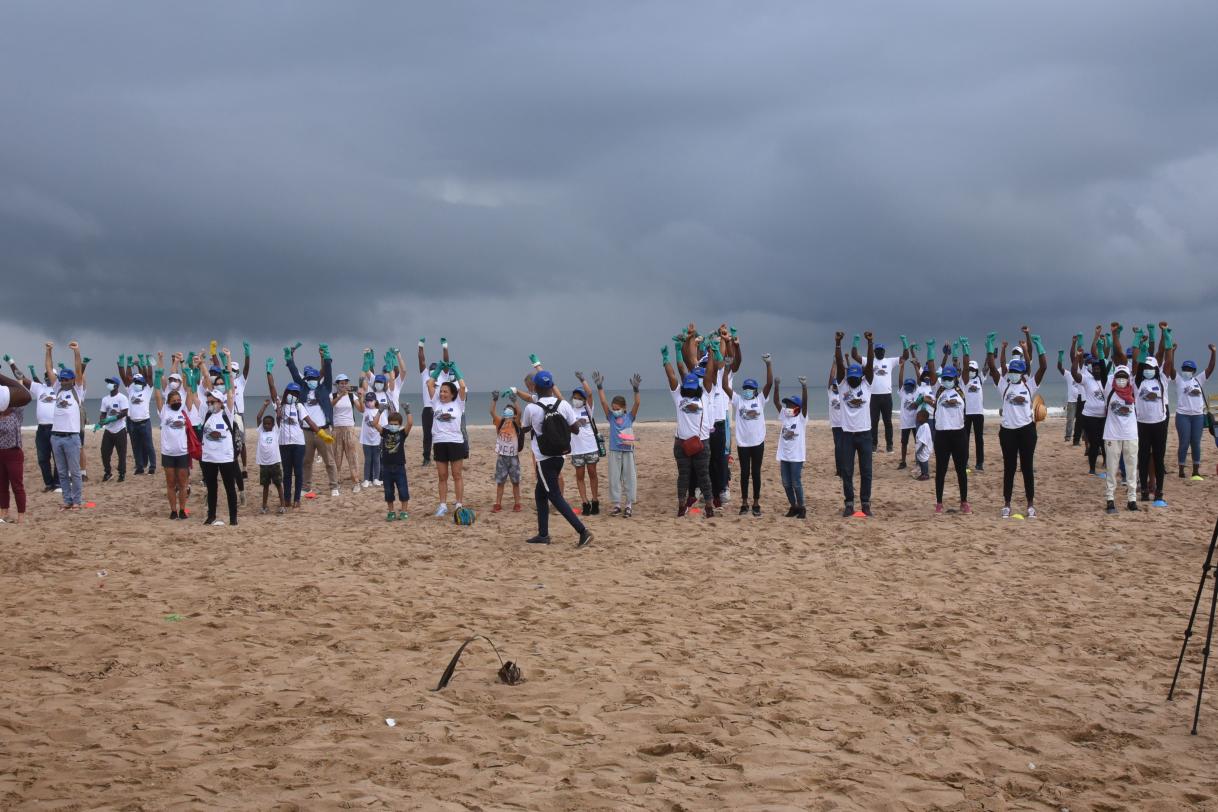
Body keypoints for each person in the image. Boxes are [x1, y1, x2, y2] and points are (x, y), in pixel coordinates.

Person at [521, 369, 593, 547]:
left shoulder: (531, 408)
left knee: (554, 495)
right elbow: (575, 429)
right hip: (560, 455)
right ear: (552, 386)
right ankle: (543, 534)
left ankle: (583, 531)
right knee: (540, 494)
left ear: (535, 387)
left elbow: (524, 429)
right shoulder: (564, 405)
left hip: (544, 458)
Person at [662, 336, 718, 518]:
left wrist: (666, 359)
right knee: (698, 477)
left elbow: (673, 376)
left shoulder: (681, 397)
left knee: (689, 477)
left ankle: (689, 507)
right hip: (699, 443)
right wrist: (710, 355)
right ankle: (704, 507)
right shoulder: (703, 395)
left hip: (684, 443)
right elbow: (707, 375)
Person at [990, 344, 1046, 518]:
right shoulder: (1004, 386)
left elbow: (1043, 367)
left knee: (1027, 467)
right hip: (1007, 432)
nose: (1012, 373)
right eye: (1011, 371)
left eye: (1016, 371)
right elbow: (992, 368)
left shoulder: (1029, 386)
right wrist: (990, 348)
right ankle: (1006, 504)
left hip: (1027, 431)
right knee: (1009, 468)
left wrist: (1038, 346)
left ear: (1022, 373)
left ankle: (1030, 504)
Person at [286, 344, 338, 498]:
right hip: (306, 432)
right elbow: (294, 373)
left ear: (318, 379)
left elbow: (328, 372)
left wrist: (326, 358)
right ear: (306, 379)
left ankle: (334, 486)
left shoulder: (325, 388)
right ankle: (306, 487)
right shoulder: (302, 389)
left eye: (315, 378)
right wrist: (290, 358)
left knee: (329, 460)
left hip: (323, 430)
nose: (312, 381)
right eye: (309, 379)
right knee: (306, 462)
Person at [833, 331, 875, 517]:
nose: (853, 378)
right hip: (847, 435)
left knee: (866, 471)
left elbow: (871, 364)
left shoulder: (866, 385)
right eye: (851, 376)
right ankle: (849, 503)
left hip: (865, 434)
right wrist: (838, 344)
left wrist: (870, 343)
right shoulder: (843, 386)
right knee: (847, 471)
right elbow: (841, 365)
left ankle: (865, 503)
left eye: (856, 376)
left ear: (861, 377)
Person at [724, 354, 771, 516]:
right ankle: (744, 503)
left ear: (755, 390)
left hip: (758, 442)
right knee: (745, 473)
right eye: (745, 388)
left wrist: (768, 364)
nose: (747, 391)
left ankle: (756, 503)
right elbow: (724, 386)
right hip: (743, 443)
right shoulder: (738, 400)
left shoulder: (760, 400)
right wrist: (727, 367)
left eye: (750, 389)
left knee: (756, 473)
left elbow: (769, 384)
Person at [198, 353, 240, 526]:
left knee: (230, 488)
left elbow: (230, 387)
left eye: (213, 401)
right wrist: (201, 364)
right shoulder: (205, 412)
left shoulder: (227, 413)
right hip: (208, 457)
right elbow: (207, 381)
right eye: (208, 401)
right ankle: (211, 515)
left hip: (225, 457)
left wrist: (228, 360)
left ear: (220, 402)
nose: (210, 403)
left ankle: (233, 518)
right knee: (212, 488)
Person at [1167, 335, 1216, 481]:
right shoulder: (1179, 380)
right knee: (1184, 442)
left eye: (1189, 369)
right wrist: (1173, 351)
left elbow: (1210, 368)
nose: (1186, 370)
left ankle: (1196, 471)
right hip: (1183, 416)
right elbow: (1170, 368)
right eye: (1185, 368)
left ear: (1194, 371)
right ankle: (1181, 470)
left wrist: (1214, 352)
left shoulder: (1199, 379)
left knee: (1196, 443)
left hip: (1198, 417)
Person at [152, 357, 195, 519]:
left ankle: (183, 510)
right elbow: (157, 395)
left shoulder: (184, 411)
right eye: (174, 400)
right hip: (168, 453)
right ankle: (173, 510)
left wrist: (188, 371)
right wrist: (157, 377)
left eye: (178, 400)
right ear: (168, 402)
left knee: (183, 484)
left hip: (182, 453)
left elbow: (190, 390)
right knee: (170, 484)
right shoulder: (164, 412)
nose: (177, 402)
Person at [594, 370, 641, 517]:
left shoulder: (629, 417)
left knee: (629, 478)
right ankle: (616, 505)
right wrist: (600, 386)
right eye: (613, 409)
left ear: (624, 408)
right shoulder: (611, 418)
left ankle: (628, 505)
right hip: (614, 451)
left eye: (617, 409)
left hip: (628, 451)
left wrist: (636, 389)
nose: (615, 411)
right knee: (614, 478)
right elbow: (603, 402)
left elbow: (637, 402)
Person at [930, 356, 972, 514]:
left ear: (955, 378)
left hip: (959, 435)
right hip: (942, 436)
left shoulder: (962, 390)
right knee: (941, 470)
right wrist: (931, 352)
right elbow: (933, 372)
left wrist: (965, 353)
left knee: (961, 470)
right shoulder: (938, 390)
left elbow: (966, 370)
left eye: (949, 378)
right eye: (944, 378)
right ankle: (939, 503)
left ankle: (964, 502)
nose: (946, 380)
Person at [427, 364, 468, 517]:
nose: (442, 393)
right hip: (439, 442)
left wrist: (456, 371)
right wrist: (437, 371)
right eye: (441, 391)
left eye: (445, 391)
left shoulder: (459, 404)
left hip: (455, 442)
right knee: (442, 476)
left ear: (452, 394)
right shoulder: (435, 403)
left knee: (457, 474)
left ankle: (458, 504)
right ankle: (443, 505)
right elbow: (430, 384)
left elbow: (462, 386)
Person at [1101, 359, 1139, 514]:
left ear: (1129, 378)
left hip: (1131, 435)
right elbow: (1105, 372)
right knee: (1112, 469)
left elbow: (1137, 366)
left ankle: (1132, 500)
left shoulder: (1134, 390)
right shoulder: (1108, 390)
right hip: (1112, 435)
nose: (1121, 379)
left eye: (1124, 376)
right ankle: (1110, 500)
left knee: (1131, 470)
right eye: (1119, 376)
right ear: (1114, 378)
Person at [50, 341, 85, 510]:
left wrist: (76, 352)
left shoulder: (77, 390)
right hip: (56, 436)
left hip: (71, 437)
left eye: (66, 378)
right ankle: (67, 500)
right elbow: (50, 371)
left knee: (75, 472)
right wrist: (49, 351)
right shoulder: (57, 389)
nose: (63, 381)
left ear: (72, 379)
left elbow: (78, 370)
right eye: (62, 378)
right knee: (62, 473)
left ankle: (77, 501)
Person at [1071, 326, 1111, 476]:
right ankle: (1092, 468)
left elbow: (1104, 356)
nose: (1097, 370)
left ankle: (1107, 464)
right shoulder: (1087, 379)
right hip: (1089, 416)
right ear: (1091, 369)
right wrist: (1077, 357)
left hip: (1104, 417)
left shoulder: (1107, 380)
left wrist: (1101, 339)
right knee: (1094, 443)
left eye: (1099, 368)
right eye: (1094, 368)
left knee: (1104, 442)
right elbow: (1075, 373)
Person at [772, 373, 809, 518]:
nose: (787, 407)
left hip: (796, 456)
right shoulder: (785, 416)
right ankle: (793, 506)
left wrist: (804, 387)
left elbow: (805, 404)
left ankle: (802, 507)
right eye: (787, 404)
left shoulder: (801, 417)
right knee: (786, 483)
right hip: (783, 455)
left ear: (797, 407)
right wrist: (776, 386)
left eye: (791, 405)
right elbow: (776, 402)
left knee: (796, 482)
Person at [851, 336, 895, 452]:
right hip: (873, 397)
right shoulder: (869, 361)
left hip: (887, 396)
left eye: (882, 350)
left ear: (884, 352)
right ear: (874, 352)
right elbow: (854, 356)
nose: (880, 352)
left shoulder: (889, 361)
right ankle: (873, 445)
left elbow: (905, 357)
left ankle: (889, 445)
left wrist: (905, 343)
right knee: (873, 422)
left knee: (888, 422)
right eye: (878, 350)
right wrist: (856, 342)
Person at [371, 403, 412, 520]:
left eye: (396, 424)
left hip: (399, 467)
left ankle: (404, 511)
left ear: (399, 425)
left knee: (403, 489)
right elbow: (374, 423)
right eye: (391, 424)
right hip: (386, 467)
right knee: (388, 491)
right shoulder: (385, 432)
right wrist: (380, 411)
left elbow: (410, 423)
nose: (393, 426)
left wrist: (407, 411)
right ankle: (391, 511)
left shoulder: (402, 434)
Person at [0, 369, 31, 523]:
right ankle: (3, 514)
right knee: (2, 486)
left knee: (17, 486)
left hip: (14, 453)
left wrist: (18, 381)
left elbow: (23, 395)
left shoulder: (16, 414)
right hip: (0, 454)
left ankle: (21, 516)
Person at [569, 373, 602, 516]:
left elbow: (589, 393)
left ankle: (595, 501)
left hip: (591, 447)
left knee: (592, 473)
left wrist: (583, 380)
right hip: (576, 450)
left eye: (579, 398)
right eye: (574, 397)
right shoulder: (569, 410)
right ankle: (585, 502)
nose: (576, 400)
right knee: (580, 476)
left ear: (583, 400)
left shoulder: (588, 409)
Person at [118, 354, 156, 476]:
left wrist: (147, 364)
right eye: (135, 381)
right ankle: (139, 467)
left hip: (145, 422)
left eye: (139, 381)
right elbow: (125, 377)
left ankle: (152, 466)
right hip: (133, 423)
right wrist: (125, 364)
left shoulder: (147, 390)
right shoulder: (131, 389)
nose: (137, 383)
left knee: (149, 445)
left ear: (144, 382)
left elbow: (149, 376)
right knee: (136, 447)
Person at [489, 390, 523, 513]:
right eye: (506, 411)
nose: (507, 413)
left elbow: (520, 412)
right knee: (500, 482)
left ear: (514, 415)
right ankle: (498, 503)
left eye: (510, 412)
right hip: (502, 457)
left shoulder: (516, 423)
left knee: (515, 482)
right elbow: (492, 412)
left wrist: (515, 401)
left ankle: (517, 503)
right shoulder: (500, 422)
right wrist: (495, 400)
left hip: (514, 457)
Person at [330, 373, 362, 493]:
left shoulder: (351, 396)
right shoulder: (332, 395)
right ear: (337, 384)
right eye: (341, 383)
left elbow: (361, 409)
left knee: (352, 456)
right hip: (337, 429)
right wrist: (340, 395)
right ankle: (336, 482)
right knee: (336, 457)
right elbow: (330, 405)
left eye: (345, 383)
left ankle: (356, 482)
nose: (344, 385)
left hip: (349, 428)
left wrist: (361, 398)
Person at [254, 398, 286, 515]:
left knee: (278, 484)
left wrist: (278, 405)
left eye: (269, 424)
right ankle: (264, 506)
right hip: (264, 464)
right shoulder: (261, 431)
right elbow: (258, 417)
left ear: (273, 425)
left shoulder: (276, 431)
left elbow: (278, 417)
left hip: (275, 462)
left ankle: (282, 505)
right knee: (265, 486)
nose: (267, 425)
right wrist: (264, 405)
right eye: (265, 423)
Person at [97, 376, 130, 482]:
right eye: (108, 382)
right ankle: (108, 472)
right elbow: (103, 413)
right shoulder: (105, 399)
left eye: (111, 382)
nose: (109, 384)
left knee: (121, 453)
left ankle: (121, 473)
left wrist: (113, 418)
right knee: (104, 452)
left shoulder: (122, 398)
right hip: (108, 430)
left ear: (116, 385)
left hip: (120, 429)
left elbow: (125, 412)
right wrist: (101, 421)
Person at [963, 356, 986, 473]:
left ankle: (979, 463)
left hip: (978, 413)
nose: (971, 371)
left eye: (973, 369)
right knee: (965, 439)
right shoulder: (964, 381)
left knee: (979, 439)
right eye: (969, 369)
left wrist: (989, 350)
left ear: (976, 371)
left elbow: (986, 367)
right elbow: (960, 368)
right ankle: (965, 462)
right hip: (967, 413)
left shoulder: (980, 379)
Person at [357, 388, 382, 488]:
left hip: (377, 440)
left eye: (371, 401)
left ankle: (376, 478)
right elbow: (362, 406)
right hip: (366, 440)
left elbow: (382, 426)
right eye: (367, 401)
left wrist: (382, 439)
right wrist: (361, 397)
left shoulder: (379, 412)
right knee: (368, 460)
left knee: (376, 459)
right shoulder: (365, 411)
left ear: (375, 401)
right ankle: (366, 479)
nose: (369, 403)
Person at [913, 407, 932, 481]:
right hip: (920, 447)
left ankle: (926, 474)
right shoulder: (922, 426)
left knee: (924, 460)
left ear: (924, 418)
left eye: (918, 417)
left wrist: (920, 449)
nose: (917, 418)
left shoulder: (925, 426)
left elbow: (924, 441)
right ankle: (922, 473)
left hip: (923, 448)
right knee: (920, 460)